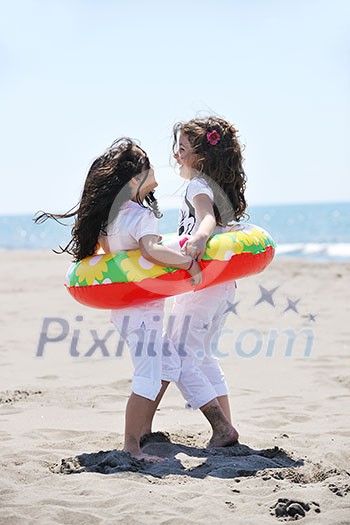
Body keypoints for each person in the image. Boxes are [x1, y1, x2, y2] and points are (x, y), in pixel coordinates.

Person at [35, 137, 201, 462]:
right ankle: (132, 447)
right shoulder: (141, 215)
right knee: (148, 376)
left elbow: (111, 254)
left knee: (167, 363)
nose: (155, 168)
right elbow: (153, 250)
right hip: (143, 311)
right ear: (134, 179)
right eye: (149, 165)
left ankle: (141, 431)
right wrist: (188, 262)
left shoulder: (112, 217)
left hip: (125, 309)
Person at [143, 117, 246, 447]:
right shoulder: (217, 187)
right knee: (202, 356)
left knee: (180, 358)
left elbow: (206, 219)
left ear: (200, 158)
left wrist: (199, 239)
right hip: (222, 286)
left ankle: (221, 428)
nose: (176, 155)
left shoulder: (198, 186)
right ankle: (226, 426)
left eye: (182, 149)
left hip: (200, 285)